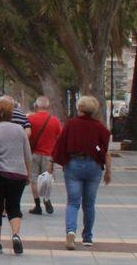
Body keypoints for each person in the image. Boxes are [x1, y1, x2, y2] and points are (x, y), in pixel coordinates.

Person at [52, 95, 112, 249]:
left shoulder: (71, 124)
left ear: (79, 108)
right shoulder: (99, 127)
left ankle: (71, 231)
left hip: (73, 164)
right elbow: (104, 149)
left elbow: (60, 143)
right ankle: (87, 237)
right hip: (93, 166)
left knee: (73, 202)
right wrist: (107, 171)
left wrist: (55, 162)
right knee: (89, 204)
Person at [0, 97, 33, 255]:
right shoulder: (19, 130)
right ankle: (16, 235)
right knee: (14, 207)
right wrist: (28, 174)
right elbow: (28, 155)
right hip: (18, 174)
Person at [26, 96, 63, 215]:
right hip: (49, 155)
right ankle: (46, 199)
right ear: (48, 107)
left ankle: (37, 206)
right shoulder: (55, 120)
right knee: (47, 180)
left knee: (34, 180)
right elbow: (60, 139)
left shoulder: (30, 119)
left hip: (34, 154)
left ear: (36, 106)